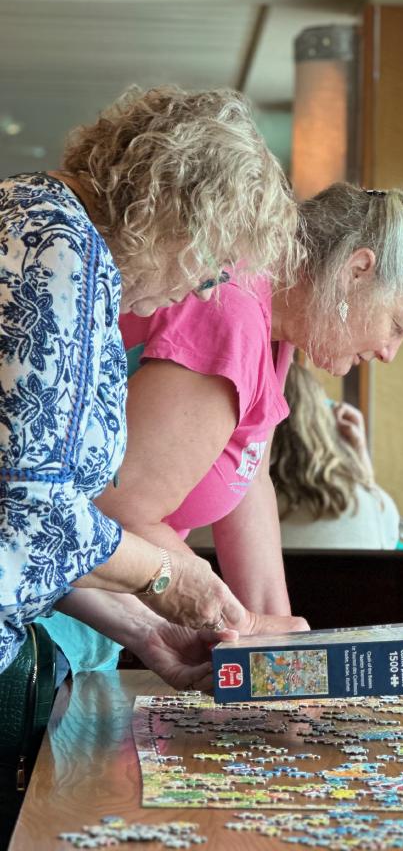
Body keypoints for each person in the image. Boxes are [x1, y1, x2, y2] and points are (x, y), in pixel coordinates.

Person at [85, 182, 403, 658]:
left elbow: (247, 480)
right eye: (396, 327)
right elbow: (116, 512)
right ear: (357, 270)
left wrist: (282, 646)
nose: (389, 354)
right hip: (47, 616)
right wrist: (239, 622)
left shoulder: (277, 328)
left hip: (109, 619)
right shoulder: (232, 314)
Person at [0, 84, 306, 687]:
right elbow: (35, 516)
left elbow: (29, 534)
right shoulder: (60, 254)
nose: (203, 291)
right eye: (212, 267)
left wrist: (148, 629)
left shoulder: (32, 209)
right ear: (179, 220)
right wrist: (164, 574)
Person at [271, 362, 400, 549]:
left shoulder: (228, 506)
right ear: (323, 421)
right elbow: (386, 539)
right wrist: (360, 461)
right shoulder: (373, 507)